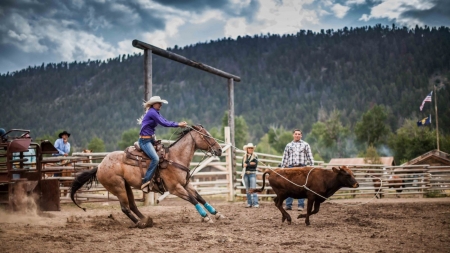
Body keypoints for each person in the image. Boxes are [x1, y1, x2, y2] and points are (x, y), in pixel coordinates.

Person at [139, 96, 187, 192]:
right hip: (145, 141)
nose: (160, 105)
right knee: (155, 159)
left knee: (163, 156)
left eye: (160, 103)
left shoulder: (155, 112)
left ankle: (159, 179)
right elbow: (163, 123)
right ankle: (145, 181)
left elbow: (165, 121)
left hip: (150, 139)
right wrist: (178, 124)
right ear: (153, 104)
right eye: (158, 103)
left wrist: (177, 124)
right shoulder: (152, 112)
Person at [280, 129, 314, 211]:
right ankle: (288, 205)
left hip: (302, 167)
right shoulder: (288, 145)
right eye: (296, 134)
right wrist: (282, 167)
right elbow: (285, 157)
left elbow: (309, 156)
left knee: (301, 186)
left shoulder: (305, 145)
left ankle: (301, 205)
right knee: (289, 186)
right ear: (293, 135)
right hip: (291, 167)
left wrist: (312, 166)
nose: (297, 135)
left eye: (299, 134)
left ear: (301, 135)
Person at [241, 143, 259, 208]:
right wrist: (250, 163)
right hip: (246, 173)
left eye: (251, 148)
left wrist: (247, 164)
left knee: (253, 188)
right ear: (247, 149)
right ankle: (249, 203)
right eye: (249, 148)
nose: (250, 149)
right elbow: (242, 165)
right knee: (247, 189)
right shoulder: (244, 156)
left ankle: (255, 203)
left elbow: (255, 164)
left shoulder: (255, 156)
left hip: (252, 173)